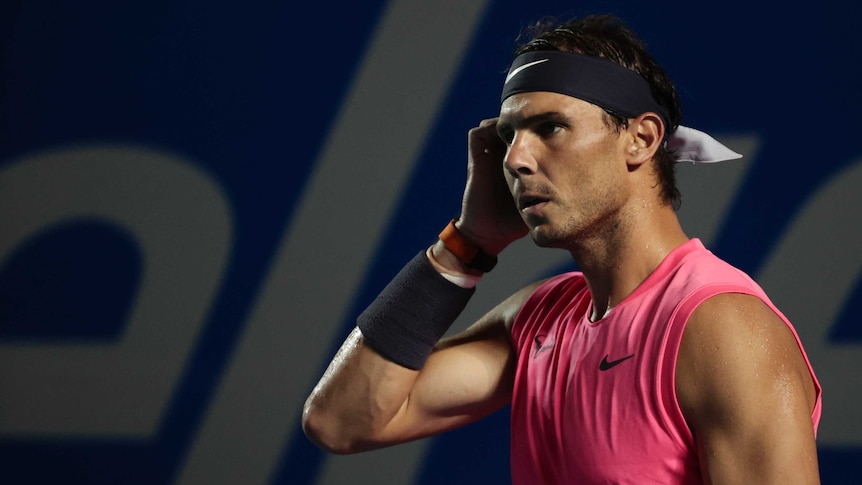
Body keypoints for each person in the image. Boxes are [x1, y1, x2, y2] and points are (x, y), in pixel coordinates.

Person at [302, 13, 822, 484]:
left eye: (550, 127)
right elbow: (341, 421)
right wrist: (468, 243)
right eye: (508, 136)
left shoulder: (722, 328)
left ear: (640, 139)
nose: (516, 159)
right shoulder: (541, 320)